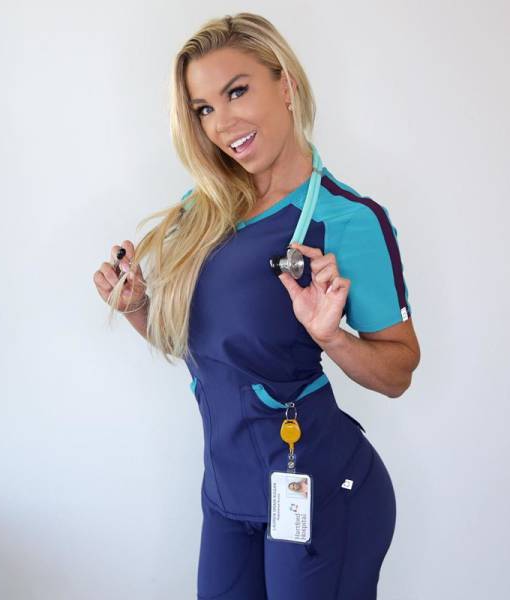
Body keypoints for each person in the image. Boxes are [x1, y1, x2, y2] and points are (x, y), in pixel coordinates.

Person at [93, 12, 420, 600]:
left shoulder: (346, 220)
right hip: (227, 493)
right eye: (203, 108)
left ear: (285, 85)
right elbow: (211, 353)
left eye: (237, 91)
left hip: (317, 489)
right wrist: (139, 307)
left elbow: (398, 372)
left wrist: (332, 337)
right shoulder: (203, 213)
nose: (222, 123)